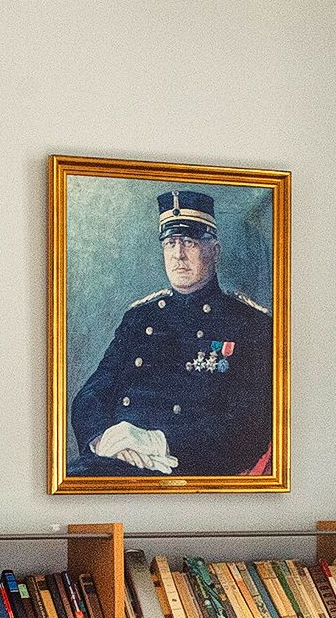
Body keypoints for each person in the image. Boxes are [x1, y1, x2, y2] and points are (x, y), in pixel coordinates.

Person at [69, 189, 273, 477]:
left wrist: (158, 443)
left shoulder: (250, 324)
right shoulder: (139, 318)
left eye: (189, 243)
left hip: (186, 468)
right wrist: (103, 439)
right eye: (170, 243)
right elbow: (91, 395)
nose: (178, 255)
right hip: (116, 459)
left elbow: (250, 425)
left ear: (214, 252)